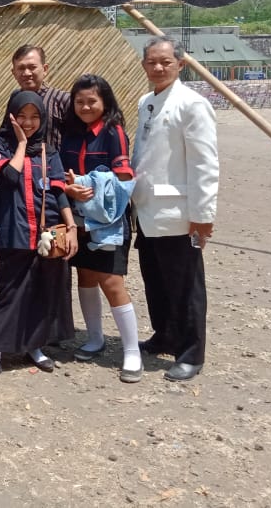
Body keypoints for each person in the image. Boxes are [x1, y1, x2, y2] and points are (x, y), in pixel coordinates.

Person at [0, 91, 78, 384]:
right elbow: (9, 178)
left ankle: (33, 346)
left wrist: (71, 227)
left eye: (34, 117)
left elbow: (58, 192)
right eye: (22, 116)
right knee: (9, 293)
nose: (28, 122)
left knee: (41, 291)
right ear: (11, 116)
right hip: (14, 231)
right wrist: (22, 144)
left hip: (47, 234)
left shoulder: (49, 151)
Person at [132, 37, 218, 382]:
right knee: (155, 280)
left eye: (165, 62)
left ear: (180, 64)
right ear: (143, 65)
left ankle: (191, 352)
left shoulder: (192, 104)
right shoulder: (146, 102)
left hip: (179, 213)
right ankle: (165, 335)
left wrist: (203, 215)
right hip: (148, 208)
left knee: (185, 286)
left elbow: (204, 163)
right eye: (152, 62)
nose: (158, 68)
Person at [59, 74, 141, 383]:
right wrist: (70, 188)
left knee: (111, 280)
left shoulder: (113, 131)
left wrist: (85, 184)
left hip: (109, 220)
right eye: (79, 101)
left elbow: (124, 177)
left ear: (105, 102)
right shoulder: (69, 134)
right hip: (79, 219)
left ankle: (132, 351)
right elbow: (61, 173)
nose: (85, 107)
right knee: (85, 276)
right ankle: (95, 338)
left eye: (92, 101)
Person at [10, 44, 69, 150]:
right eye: (21, 68)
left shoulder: (63, 100)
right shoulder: (15, 98)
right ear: (14, 72)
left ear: (45, 69)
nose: (26, 73)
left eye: (32, 67)